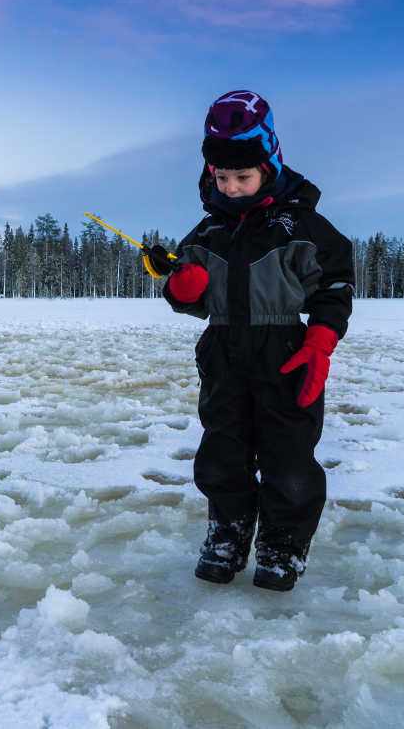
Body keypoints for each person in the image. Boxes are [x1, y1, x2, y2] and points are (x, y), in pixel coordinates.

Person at [147, 89, 353, 591]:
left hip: (285, 352)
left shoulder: (300, 226)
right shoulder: (207, 232)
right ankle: (228, 532)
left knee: (288, 455)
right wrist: (179, 286)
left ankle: (282, 545)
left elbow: (335, 284)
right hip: (223, 354)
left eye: (243, 176)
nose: (233, 187)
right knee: (223, 452)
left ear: (269, 164)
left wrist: (321, 340)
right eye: (223, 177)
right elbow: (191, 296)